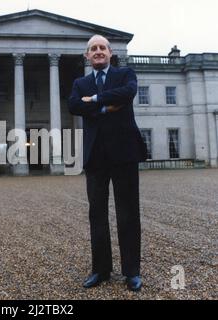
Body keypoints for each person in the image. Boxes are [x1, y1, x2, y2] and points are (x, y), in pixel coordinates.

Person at [68, 35, 147, 292]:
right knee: (97, 216)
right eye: (93, 49)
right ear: (87, 56)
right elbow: (73, 106)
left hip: (124, 153)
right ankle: (100, 270)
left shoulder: (125, 74)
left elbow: (128, 93)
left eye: (102, 47)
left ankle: (132, 272)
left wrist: (93, 100)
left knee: (128, 213)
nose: (98, 51)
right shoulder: (81, 82)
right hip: (96, 156)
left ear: (111, 53)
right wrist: (104, 106)